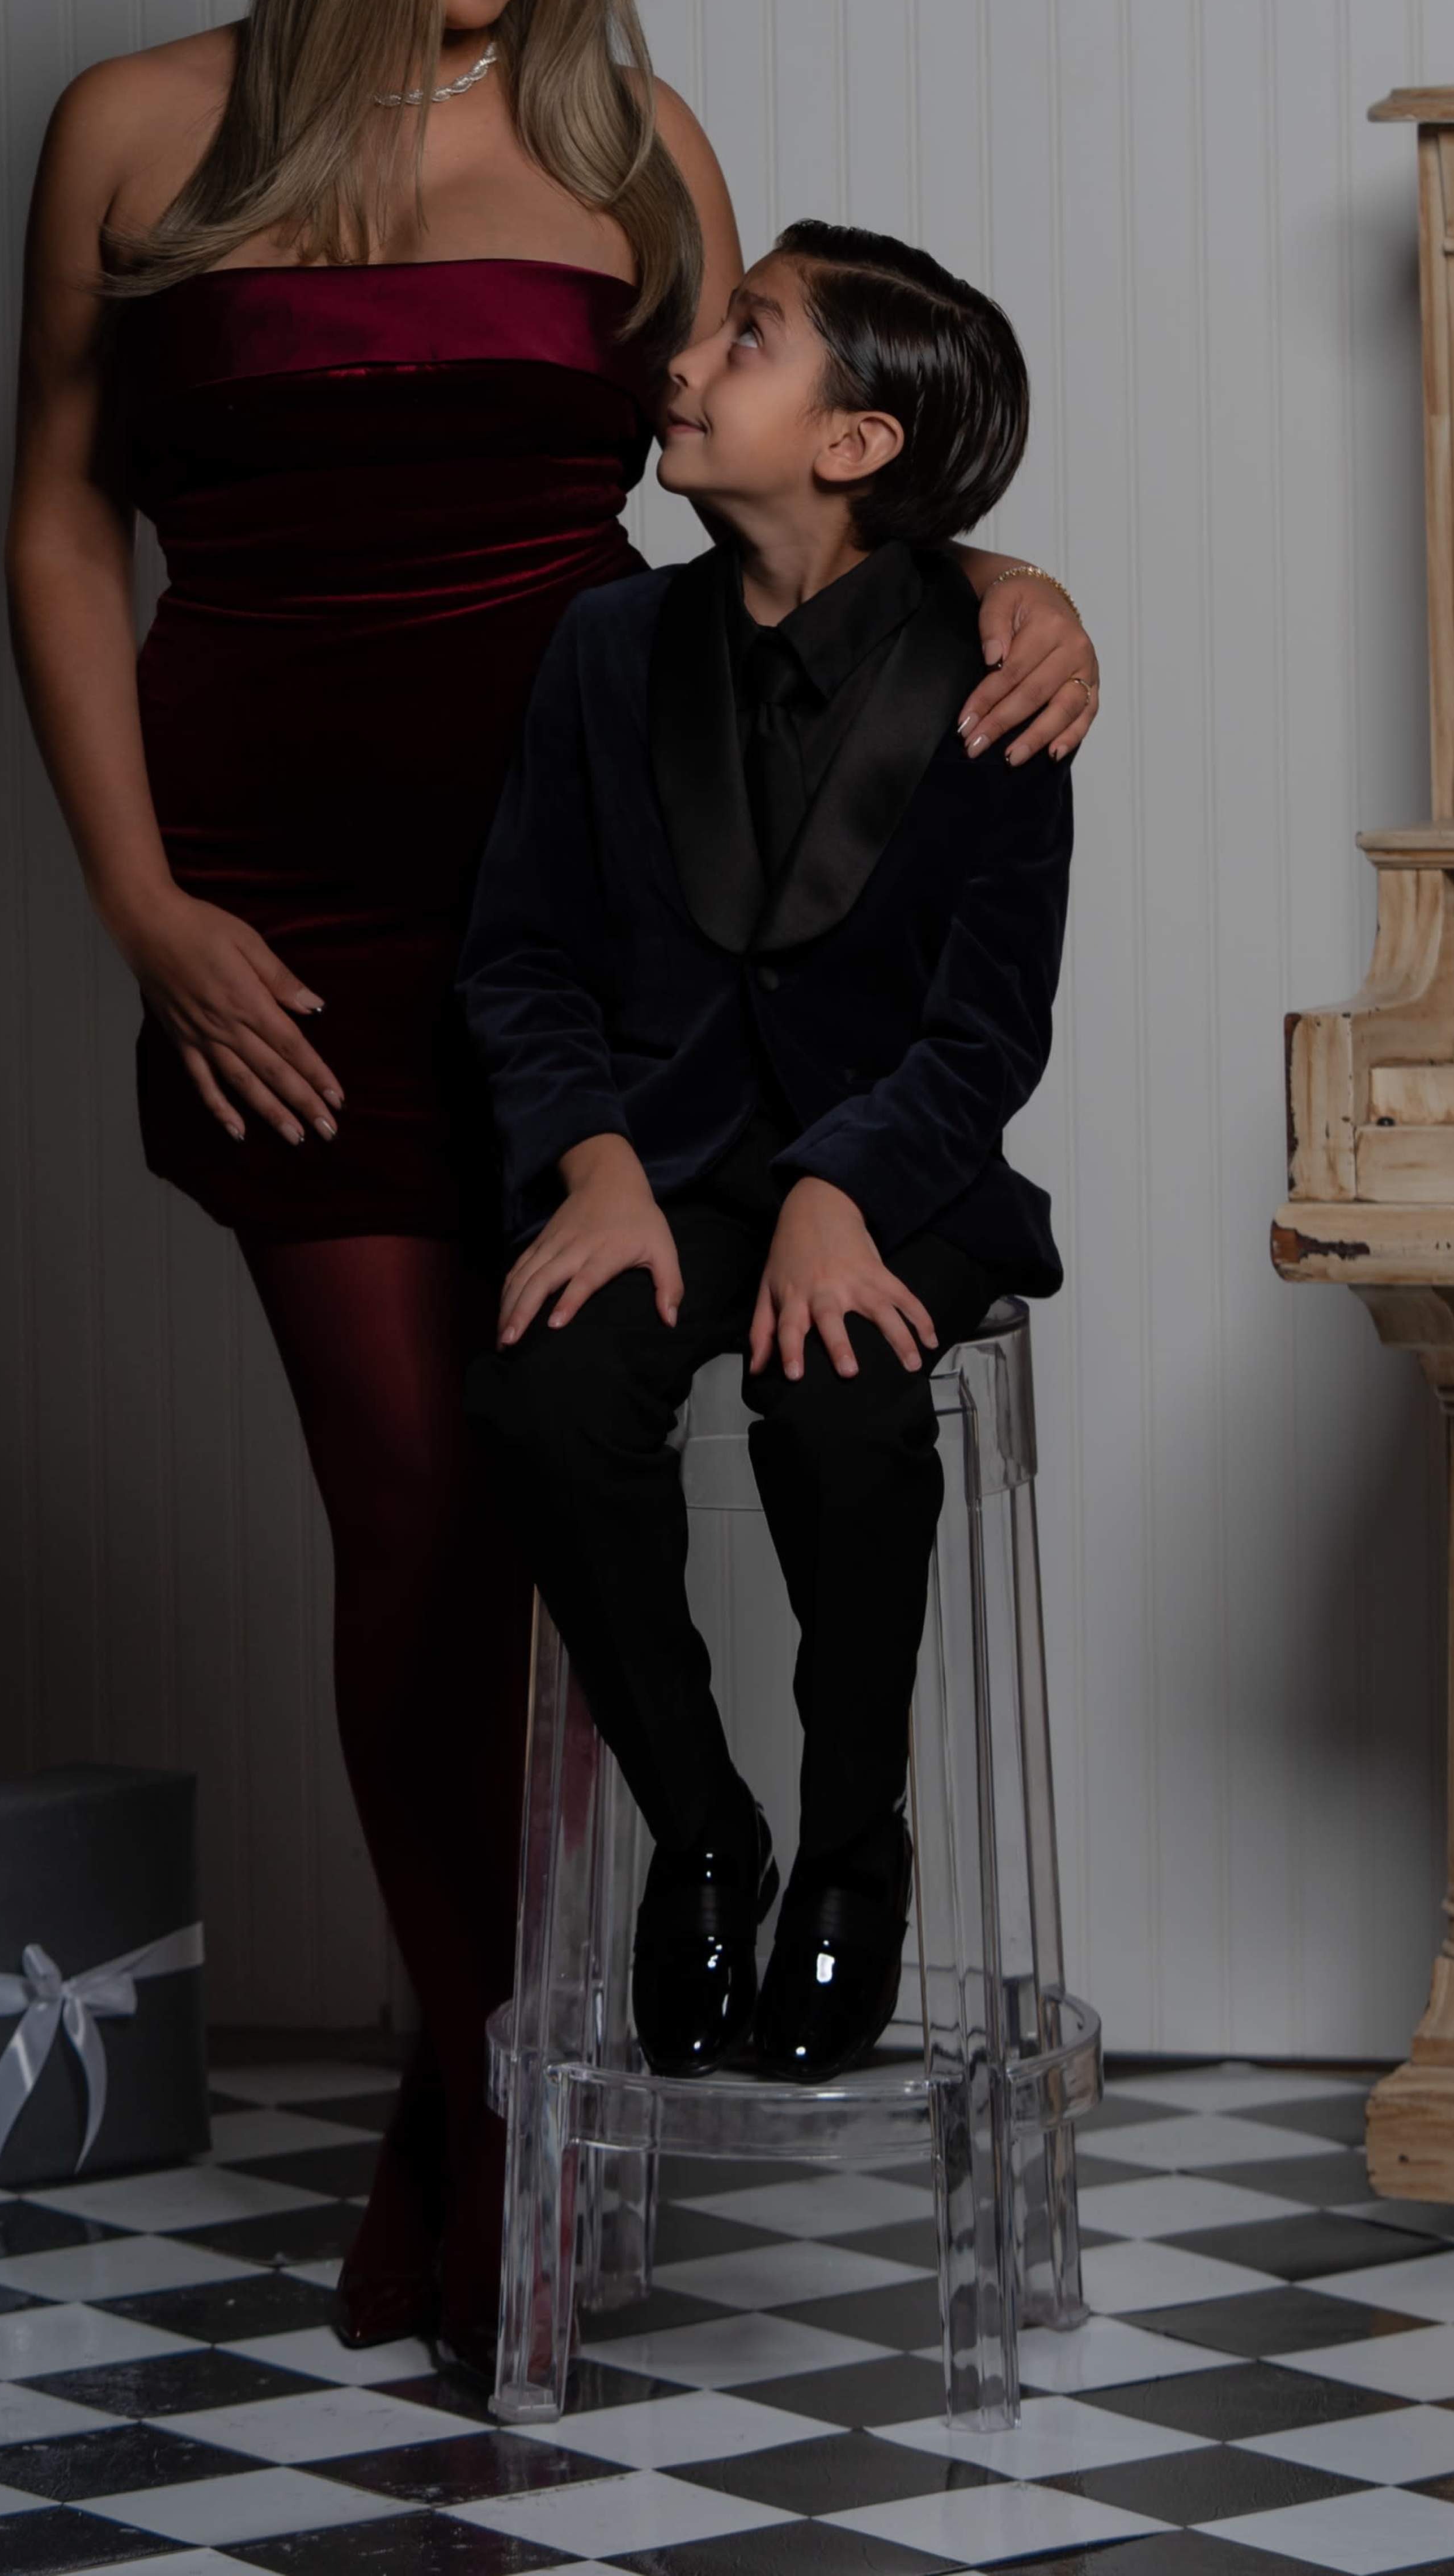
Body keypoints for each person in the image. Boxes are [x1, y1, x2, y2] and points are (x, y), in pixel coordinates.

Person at [7, 0, 1100, 2366]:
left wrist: (1020, 579)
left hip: (590, 946)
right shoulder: (139, 133)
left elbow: (805, 485)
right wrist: (138, 904)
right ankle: (484, 2078)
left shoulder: (628, 149)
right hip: (273, 916)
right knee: (409, 1513)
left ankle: (497, 2085)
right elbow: (50, 530)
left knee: (519, 1483)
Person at [460, 225, 1071, 2084]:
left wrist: (841, 1189)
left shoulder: (1005, 676)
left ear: (856, 446)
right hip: (664, 1170)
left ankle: (853, 1842)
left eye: (752, 340)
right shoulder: (607, 644)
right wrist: (590, 1162)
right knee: (548, 1393)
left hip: (901, 1175)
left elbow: (987, 1038)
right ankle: (704, 1828)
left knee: (844, 1406)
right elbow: (524, 955)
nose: (690, 362)